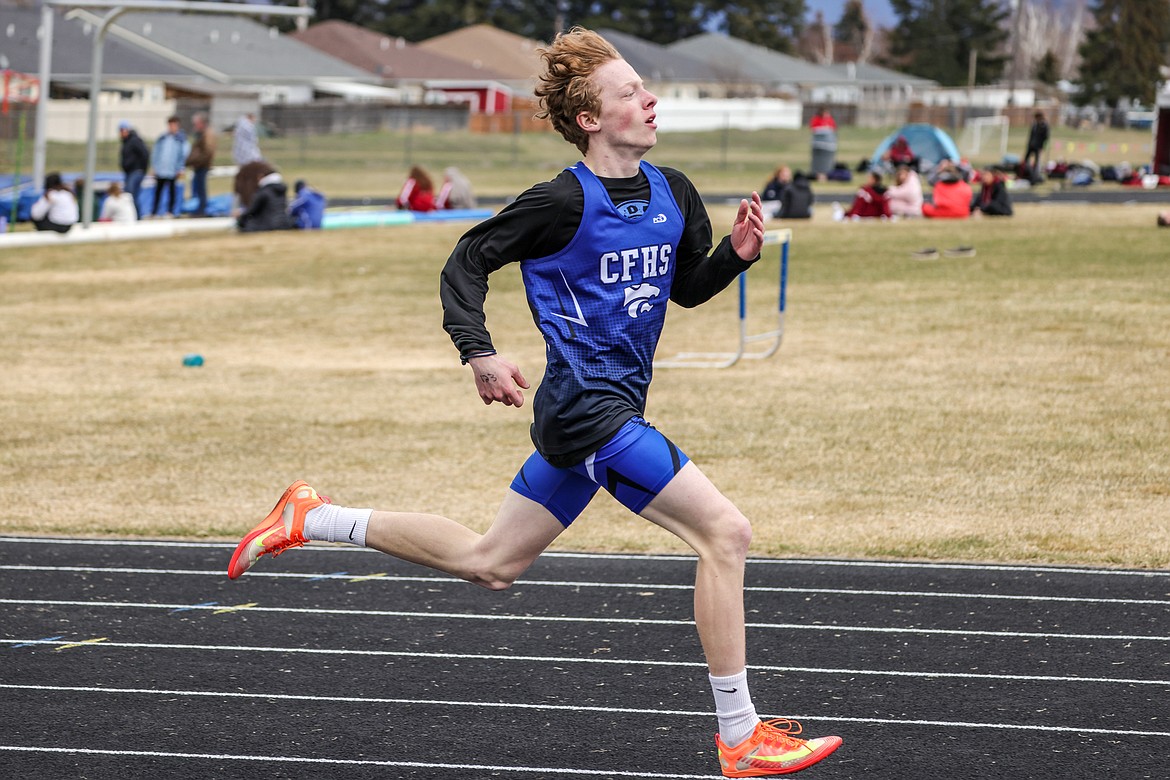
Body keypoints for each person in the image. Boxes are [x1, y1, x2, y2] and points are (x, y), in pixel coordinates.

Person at [227, 26, 842, 779]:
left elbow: (684, 289)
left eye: (646, 88)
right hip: (587, 410)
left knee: (492, 564)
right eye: (629, 93)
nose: (649, 100)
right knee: (726, 533)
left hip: (597, 413)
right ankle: (741, 736)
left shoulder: (673, 192)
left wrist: (735, 258)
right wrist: (478, 352)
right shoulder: (557, 202)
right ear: (589, 118)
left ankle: (312, 515)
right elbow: (467, 260)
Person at [149, 115, 189, 218]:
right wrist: (154, 166)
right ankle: (154, 212)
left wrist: (181, 168)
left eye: (174, 125)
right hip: (161, 169)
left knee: (172, 192)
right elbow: (156, 153)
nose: (172, 127)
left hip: (173, 170)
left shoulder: (180, 139)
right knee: (158, 191)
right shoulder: (163, 138)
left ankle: (170, 212)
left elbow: (184, 155)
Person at [185, 112, 216, 217]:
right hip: (198, 166)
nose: (195, 126)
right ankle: (198, 208)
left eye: (196, 124)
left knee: (201, 189)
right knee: (197, 188)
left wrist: (195, 161)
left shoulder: (207, 135)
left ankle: (202, 210)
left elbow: (207, 152)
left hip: (202, 166)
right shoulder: (201, 134)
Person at [118, 120, 149, 218]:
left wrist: (142, 168)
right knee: (131, 195)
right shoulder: (126, 142)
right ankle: (134, 216)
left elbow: (145, 153)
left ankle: (137, 216)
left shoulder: (134, 140)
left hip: (136, 171)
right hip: (129, 172)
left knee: (130, 194)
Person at [809, 107, 838, 180]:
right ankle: (817, 174)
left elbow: (834, 128)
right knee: (818, 161)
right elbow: (813, 128)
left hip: (828, 145)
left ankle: (826, 175)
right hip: (818, 145)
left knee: (827, 161)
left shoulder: (830, 120)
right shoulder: (816, 119)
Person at [1023, 111, 1049, 177]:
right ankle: (1024, 170)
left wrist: (1042, 147)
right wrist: (1029, 143)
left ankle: (1035, 174)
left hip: (1038, 146)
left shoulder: (1044, 125)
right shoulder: (1034, 124)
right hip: (1031, 145)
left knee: (1037, 160)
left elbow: (1045, 137)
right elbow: (1031, 135)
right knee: (1026, 158)